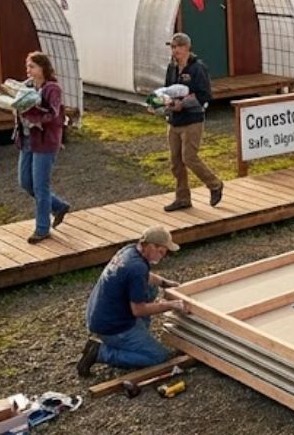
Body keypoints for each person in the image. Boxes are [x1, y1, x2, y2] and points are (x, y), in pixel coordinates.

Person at [78, 225, 186, 376]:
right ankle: (100, 353)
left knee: (152, 287)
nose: (163, 256)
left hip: (99, 313)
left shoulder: (129, 251)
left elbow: (143, 277)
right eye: (162, 251)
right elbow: (138, 310)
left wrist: (165, 283)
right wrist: (170, 305)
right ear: (151, 246)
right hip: (112, 326)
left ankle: (137, 336)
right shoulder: (137, 268)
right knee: (158, 356)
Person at [162, 32, 223, 212]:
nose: (175, 50)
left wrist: (183, 104)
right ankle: (182, 198)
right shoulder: (171, 68)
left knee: (189, 157)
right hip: (174, 121)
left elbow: (205, 95)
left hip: (192, 120)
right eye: (173, 47)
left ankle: (214, 184)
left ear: (187, 48)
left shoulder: (198, 68)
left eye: (179, 47)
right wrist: (162, 102)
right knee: (175, 162)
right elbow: (167, 90)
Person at [15, 51, 70, 244]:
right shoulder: (27, 86)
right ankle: (59, 205)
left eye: (32, 66)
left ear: (42, 68)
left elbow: (53, 114)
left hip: (45, 141)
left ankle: (42, 229)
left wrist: (35, 118)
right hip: (27, 139)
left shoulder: (52, 88)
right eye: (27, 66)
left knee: (40, 186)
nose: (28, 69)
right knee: (25, 182)